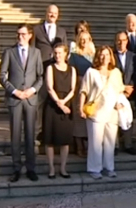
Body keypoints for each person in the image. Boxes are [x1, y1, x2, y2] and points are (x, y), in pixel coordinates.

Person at [0, 23, 43, 182]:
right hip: (15, 99)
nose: (20, 37)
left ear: (30, 35)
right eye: (18, 34)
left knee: (30, 135)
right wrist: (15, 91)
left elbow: (40, 77)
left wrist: (32, 90)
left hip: (30, 99)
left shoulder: (36, 53)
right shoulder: (9, 52)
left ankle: (31, 167)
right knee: (15, 135)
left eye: (23, 34)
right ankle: (16, 168)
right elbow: (1, 76)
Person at [79, 46, 125, 179]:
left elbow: (120, 90)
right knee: (95, 142)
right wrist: (81, 108)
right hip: (96, 112)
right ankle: (94, 168)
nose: (105, 57)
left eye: (107, 54)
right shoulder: (91, 72)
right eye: (102, 55)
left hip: (112, 111)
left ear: (111, 56)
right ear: (98, 57)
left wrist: (120, 103)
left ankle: (109, 167)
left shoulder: (116, 72)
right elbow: (84, 90)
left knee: (110, 142)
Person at [33, 4, 68, 140]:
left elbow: (65, 50)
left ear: (58, 15)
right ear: (46, 13)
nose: (52, 15)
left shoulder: (62, 31)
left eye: (55, 13)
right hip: (41, 71)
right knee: (40, 102)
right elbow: (32, 49)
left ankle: (52, 133)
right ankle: (37, 132)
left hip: (56, 71)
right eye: (50, 12)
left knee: (54, 102)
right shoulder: (36, 30)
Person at [44, 44, 77, 179]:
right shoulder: (50, 68)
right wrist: (59, 103)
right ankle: (51, 168)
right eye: (55, 53)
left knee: (65, 139)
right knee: (50, 139)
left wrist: (64, 103)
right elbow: (49, 88)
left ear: (66, 54)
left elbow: (73, 89)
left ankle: (63, 167)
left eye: (60, 53)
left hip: (67, 103)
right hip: (53, 104)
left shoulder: (72, 69)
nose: (58, 55)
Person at [68, 31, 95, 157]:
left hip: (92, 92)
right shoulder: (74, 56)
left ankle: (91, 147)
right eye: (81, 39)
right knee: (79, 120)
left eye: (86, 39)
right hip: (79, 90)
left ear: (90, 40)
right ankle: (79, 148)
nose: (84, 42)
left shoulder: (94, 55)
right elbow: (71, 73)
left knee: (90, 119)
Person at [114, 31, 136, 155]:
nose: (121, 43)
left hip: (130, 92)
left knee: (129, 118)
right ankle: (115, 145)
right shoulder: (111, 56)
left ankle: (128, 144)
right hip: (115, 92)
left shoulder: (133, 56)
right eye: (119, 40)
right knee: (115, 118)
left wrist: (131, 87)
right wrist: (122, 88)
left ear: (127, 41)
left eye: (123, 40)